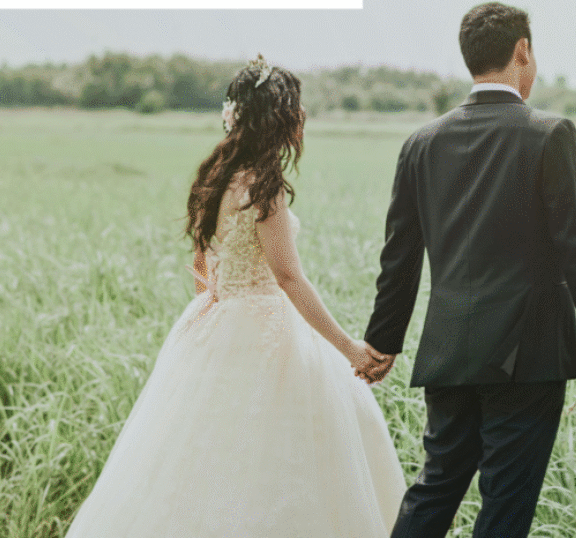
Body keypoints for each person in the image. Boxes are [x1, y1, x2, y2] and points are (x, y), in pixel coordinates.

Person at [64, 56, 406, 537]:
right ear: (280, 119)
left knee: (205, 457)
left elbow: (204, 267)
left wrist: (219, 303)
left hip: (215, 320)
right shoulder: (264, 187)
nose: (302, 118)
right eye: (296, 110)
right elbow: (290, 278)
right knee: (277, 460)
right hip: (267, 327)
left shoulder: (217, 175)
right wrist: (349, 348)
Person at [358, 2, 576, 538]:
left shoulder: (420, 143)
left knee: (434, 491)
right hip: (527, 358)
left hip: (449, 353)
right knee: (505, 508)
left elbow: (400, 256)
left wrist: (383, 342)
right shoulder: (550, 134)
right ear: (522, 50)